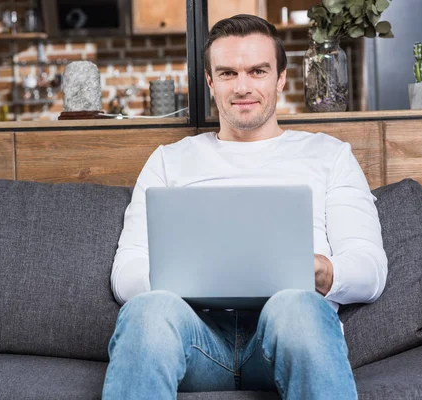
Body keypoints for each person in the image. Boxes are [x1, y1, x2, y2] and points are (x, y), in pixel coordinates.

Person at [102, 14, 388, 400]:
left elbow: (371, 268)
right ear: (210, 82)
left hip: (286, 334)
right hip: (196, 341)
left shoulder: (329, 155)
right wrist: (183, 276)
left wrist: (321, 271)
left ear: (281, 78)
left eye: (257, 71)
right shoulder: (169, 161)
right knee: (145, 313)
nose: (242, 87)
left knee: (297, 307)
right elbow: (125, 273)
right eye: (227, 73)